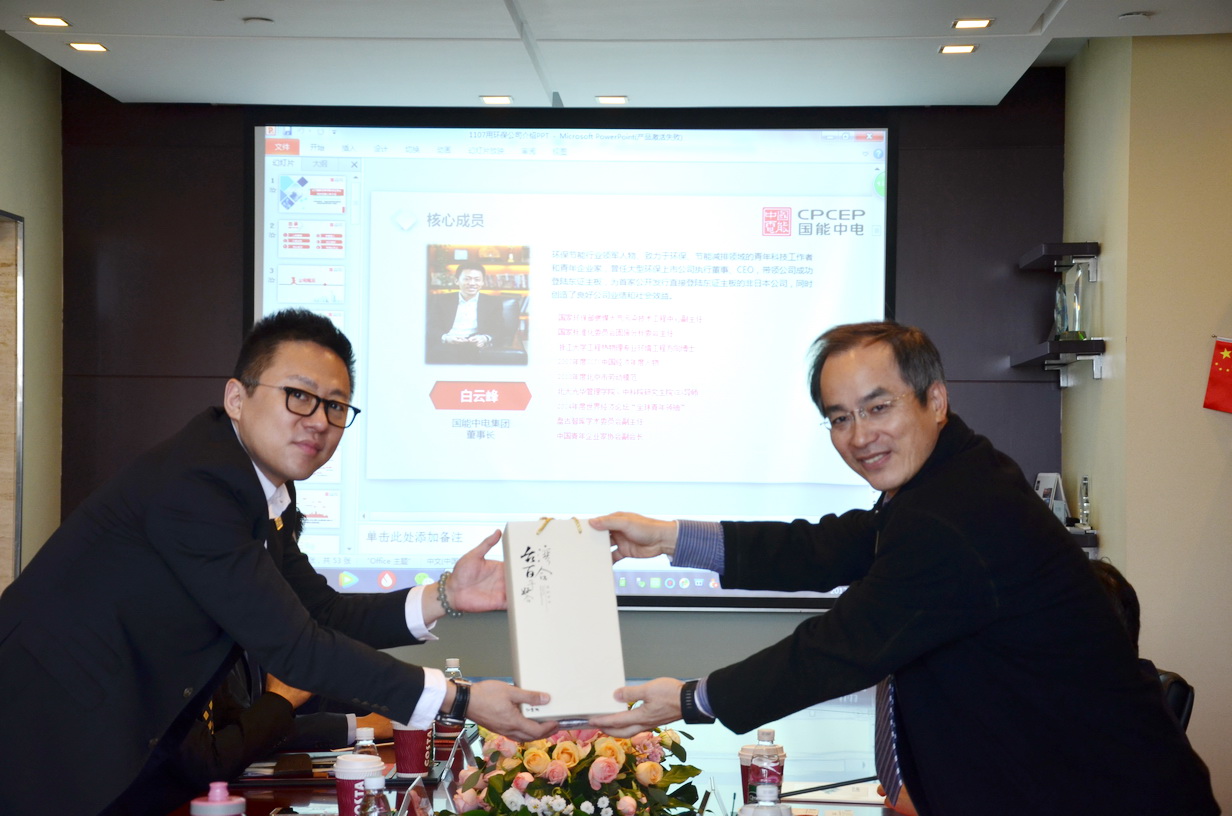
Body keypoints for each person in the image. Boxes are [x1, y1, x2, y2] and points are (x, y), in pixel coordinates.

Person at [588, 321, 1218, 816]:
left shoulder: (957, 512)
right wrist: (670, 538)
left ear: (934, 399)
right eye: (840, 417)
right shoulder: (949, 476)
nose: (859, 435)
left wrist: (692, 700)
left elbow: (841, 646)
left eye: (878, 407)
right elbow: (828, 546)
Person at [0, 309, 555, 815]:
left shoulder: (262, 491)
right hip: (47, 738)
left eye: (335, 405)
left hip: (116, 740)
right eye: (299, 395)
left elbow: (319, 612)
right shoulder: (199, 483)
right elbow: (296, 647)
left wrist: (446, 596)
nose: (319, 420)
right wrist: (460, 699)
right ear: (236, 398)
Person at [426, 262, 514, 362]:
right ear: (456, 281)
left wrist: (484, 338)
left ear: (482, 282)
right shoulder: (441, 300)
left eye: (477, 279)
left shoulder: (493, 302)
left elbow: (498, 328)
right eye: (467, 279)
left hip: (474, 345)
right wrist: (446, 338)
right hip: (447, 344)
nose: (472, 283)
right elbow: (431, 326)